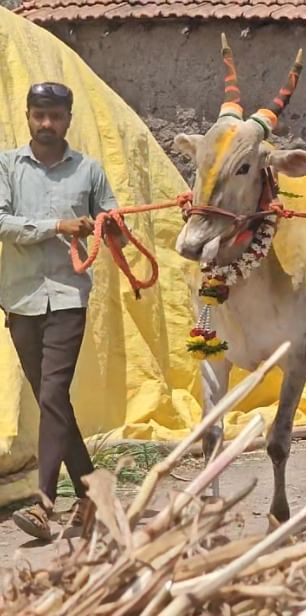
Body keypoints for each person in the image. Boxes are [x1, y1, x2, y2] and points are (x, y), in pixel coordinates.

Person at [1, 82, 121, 540]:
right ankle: (94, 494)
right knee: (52, 400)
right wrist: (57, 226)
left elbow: (111, 217)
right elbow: (0, 221)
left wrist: (113, 226)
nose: (46, 124)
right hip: (21, 298)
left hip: (68, 298)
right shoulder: (7, 166)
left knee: (52, 394)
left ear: (68, 119)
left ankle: (44, 504)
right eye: (39, 115)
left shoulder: (88, 170)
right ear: (28, 116)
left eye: (55, 116)